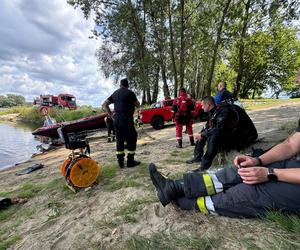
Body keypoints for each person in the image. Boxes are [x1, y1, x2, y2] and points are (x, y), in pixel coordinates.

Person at [149, 118, 300, 218]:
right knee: (240, 170)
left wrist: (271, 174)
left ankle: (184, 201)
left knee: (247, 192)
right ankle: (176, 187)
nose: (297, 80)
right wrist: (257, 160)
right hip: (293, 164)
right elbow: (290, 144)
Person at [186, 96, 257, 172]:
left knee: (214, 136)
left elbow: (218, 130)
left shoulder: (224, 111)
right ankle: (197, 156)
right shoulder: (215, 110)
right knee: (203, 132)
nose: (202, 108)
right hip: (235, 132)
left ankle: (204, 166)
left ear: (208, 105)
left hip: (247, 136)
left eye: (203, 105)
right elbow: (208, 126)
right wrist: (201, 134)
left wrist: (203, 134)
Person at [102, 78, 140, 168]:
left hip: (117, 119)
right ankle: (130, 161)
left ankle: (120, 162)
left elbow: (105, 104)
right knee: (132, 137)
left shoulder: (115, 93)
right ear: (127, 85)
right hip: (127, 118)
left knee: (119, 139)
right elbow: (138, 104)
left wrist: (111, 115)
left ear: (120, 85)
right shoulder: (130, 93)